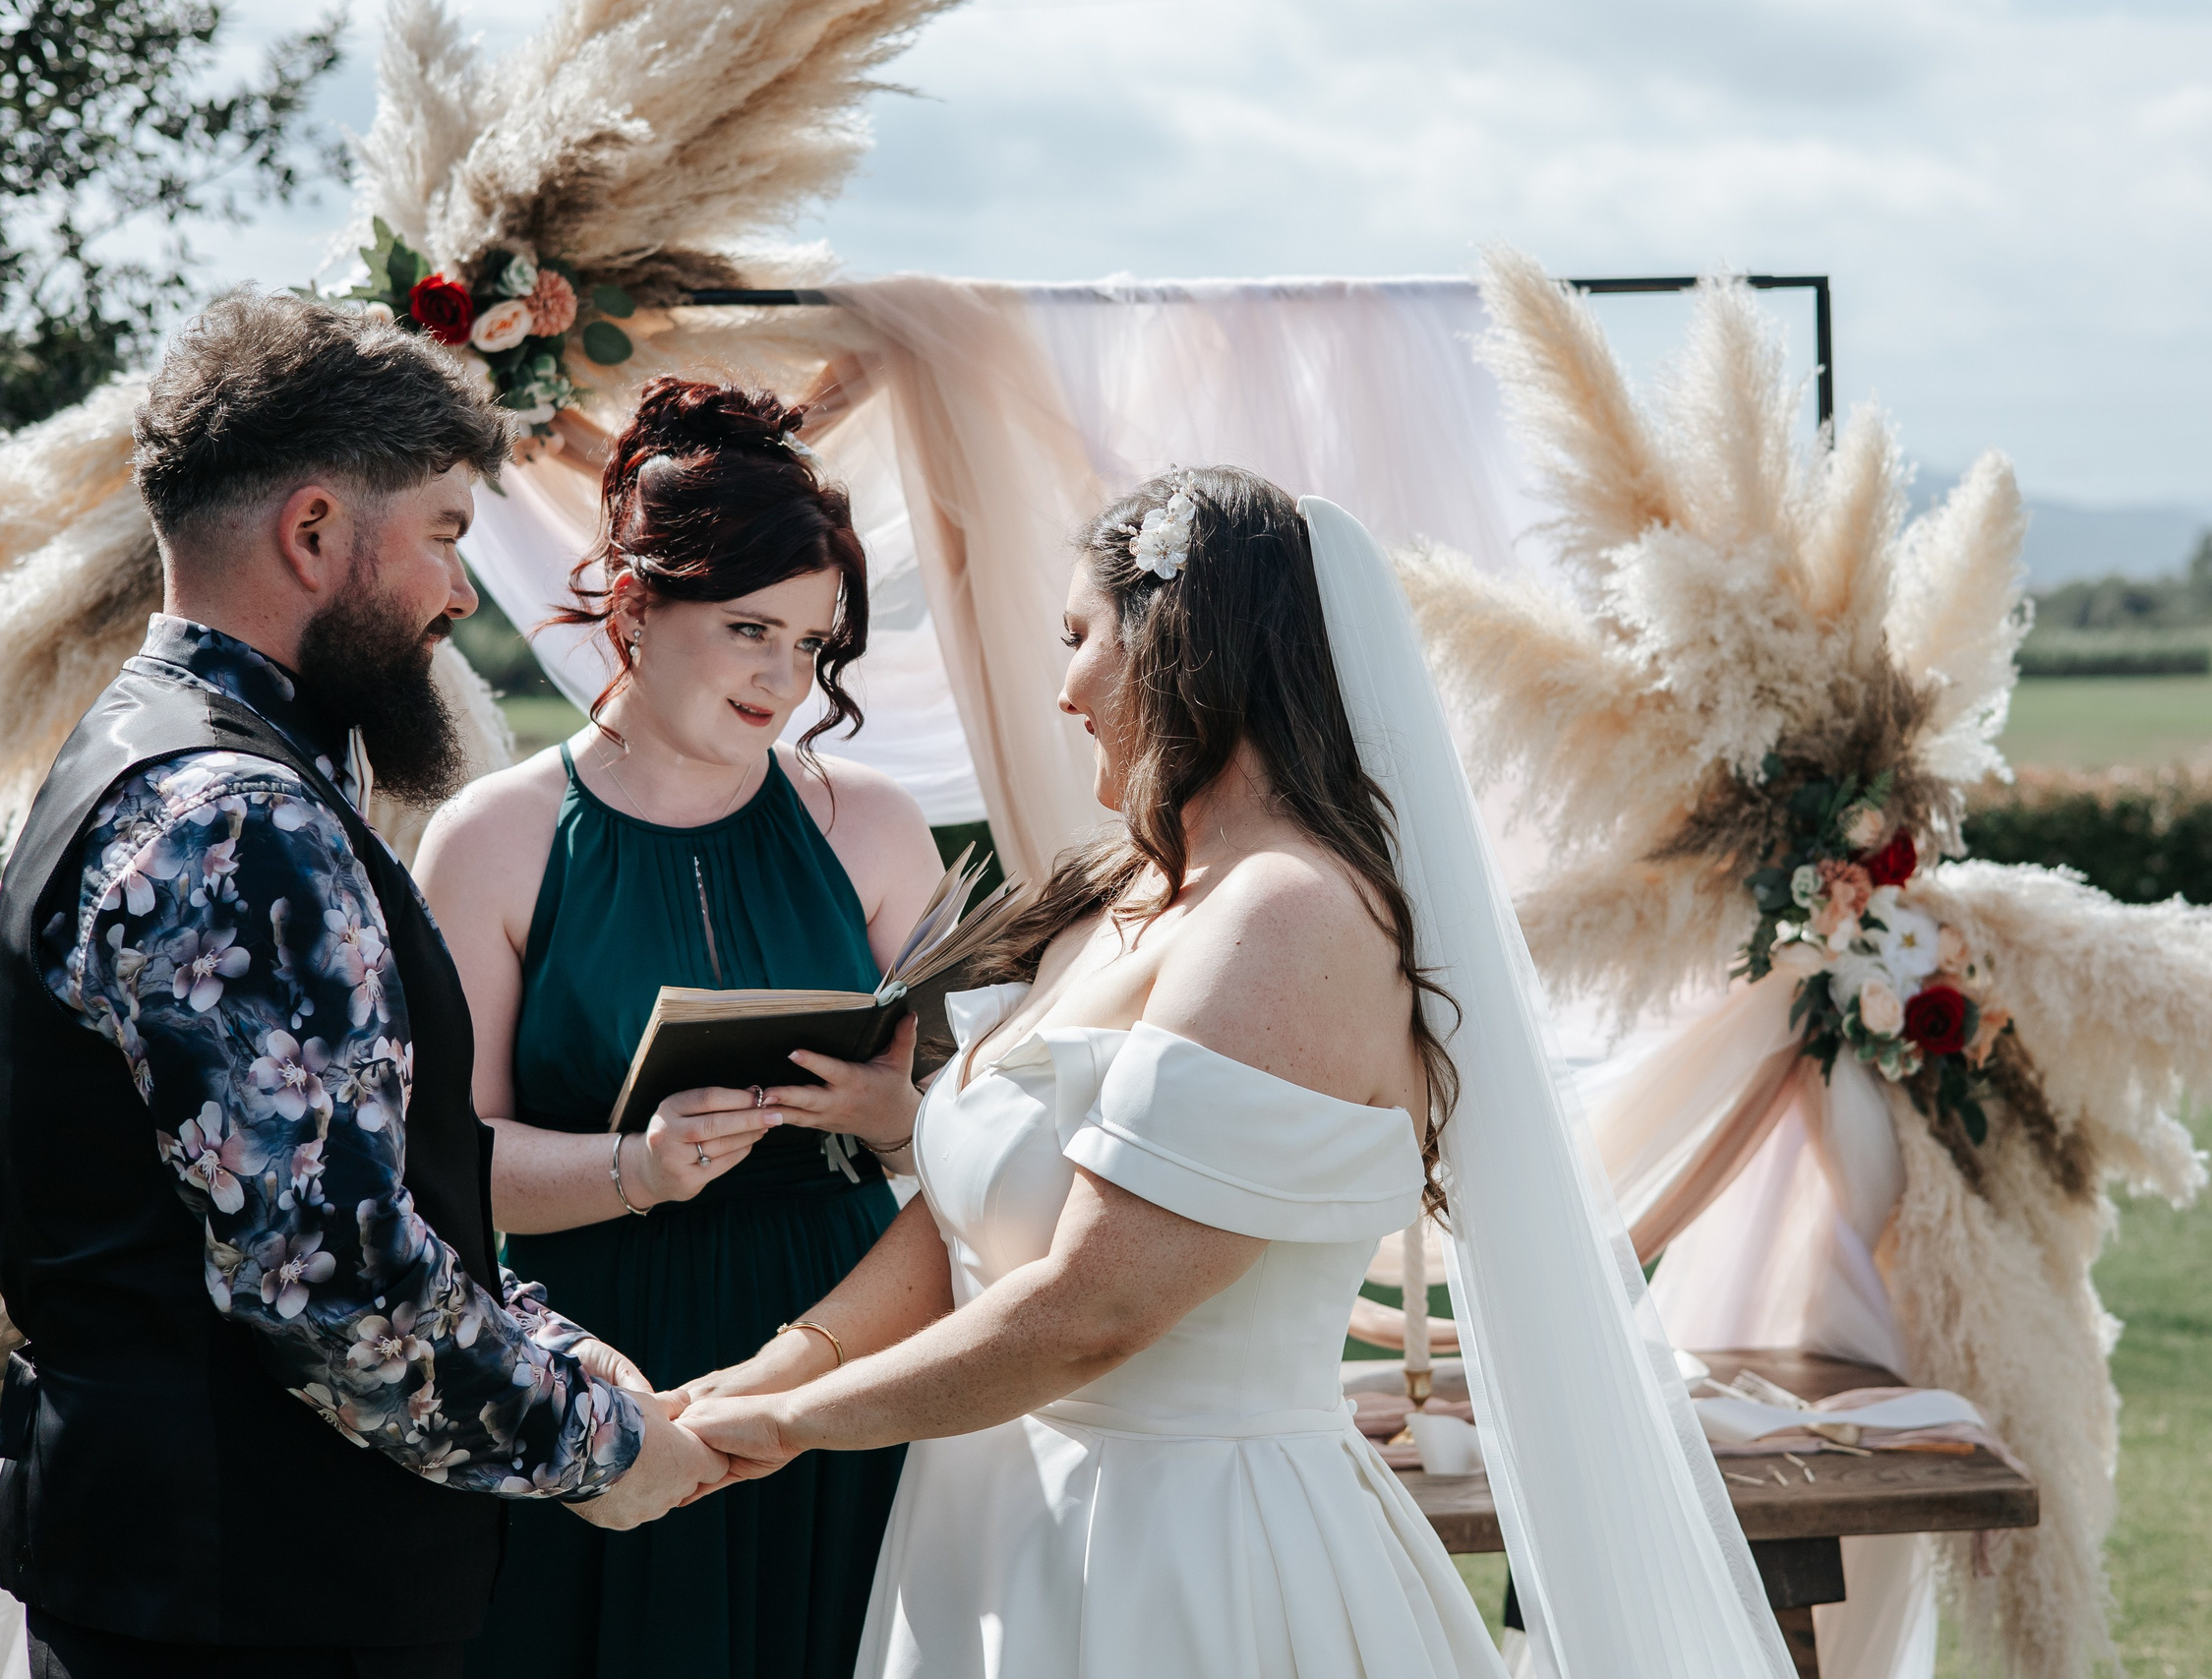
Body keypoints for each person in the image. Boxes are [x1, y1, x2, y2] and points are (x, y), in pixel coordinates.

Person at [674, 469, 1801, 1679]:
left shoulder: (1288, 918)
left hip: (1177, 1559)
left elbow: (1094, 1309)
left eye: (1078, 639)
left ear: (1175, 645)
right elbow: (961, 1225)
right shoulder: (1123, 892)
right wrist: (781, 1365)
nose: (1060, 690)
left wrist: (785, 1429)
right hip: (991, 1527)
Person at [0, 292, 724, 1679]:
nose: (459, 590)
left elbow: (350, 1177)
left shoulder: (162, 754)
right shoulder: (232, 818)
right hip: (251, 1599)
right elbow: (331, 1290)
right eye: (445, 532)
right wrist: (596, 1444)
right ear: (315, 530)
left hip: (198, 1573)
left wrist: (543, 1338)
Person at [414, 379, 947, 1679]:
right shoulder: (494, 836)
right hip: (603, 1355)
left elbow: (979, 1115)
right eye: (752, 627)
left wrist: (899, 1117)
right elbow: (449, 1162)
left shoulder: (874, 823)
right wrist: (634, 1167)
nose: (785, 678)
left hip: (844, 1339)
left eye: (813, 645)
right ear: (637, 605)